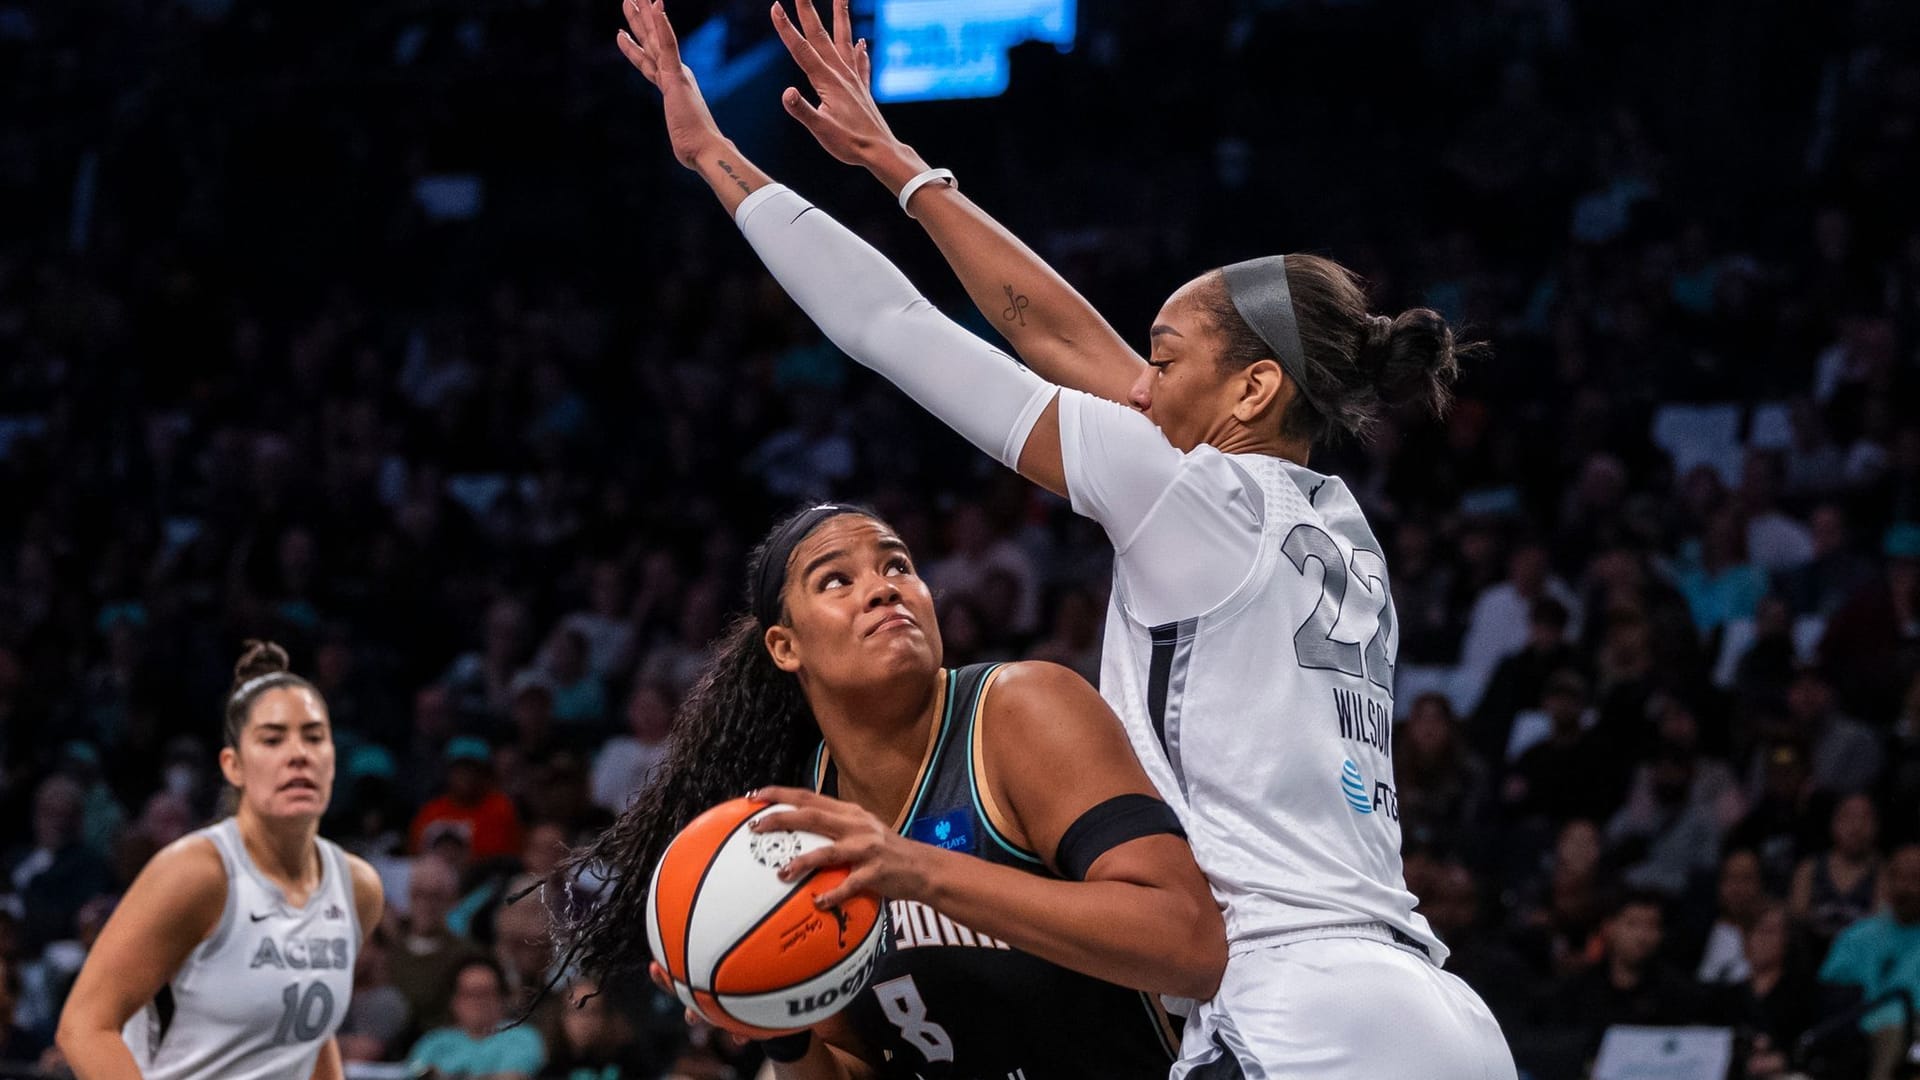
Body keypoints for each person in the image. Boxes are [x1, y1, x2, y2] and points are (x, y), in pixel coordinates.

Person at [612, 3, 1513, 1075]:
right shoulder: (1332, 524)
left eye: (1168, 360)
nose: (1141, 381)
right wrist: (906, 170)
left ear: (1253, 387)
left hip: (1297, 1011)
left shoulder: (1190, 498)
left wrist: (719, 163)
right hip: (1431, 1009)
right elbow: (1058, 334)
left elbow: (894, 329)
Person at [557, 504, 1223, 1078]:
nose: (882, 589)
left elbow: (1194, 948)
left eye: (897, 566)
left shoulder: (1019, 710)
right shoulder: (803, 815)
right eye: (836, 580)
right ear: (786, 647)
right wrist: (781, 1033)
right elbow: (856, 1066)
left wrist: (922, 870)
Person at [54, 640, 384, 1079]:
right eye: (272, 739)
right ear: (233, 766)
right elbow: (84, 1026)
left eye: (314, 737)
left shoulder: (358, 888)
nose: (298, 754)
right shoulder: (198, 873)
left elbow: (305, 1040)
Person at [406, 956, 547, 1080]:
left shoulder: (523, 1037)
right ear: (454, 1001)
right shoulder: (433, 1042)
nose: (479, 1002)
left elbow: (513, 1077)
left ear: (502, 998)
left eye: (486, 993)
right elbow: (414, 1071)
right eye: (470, 994)